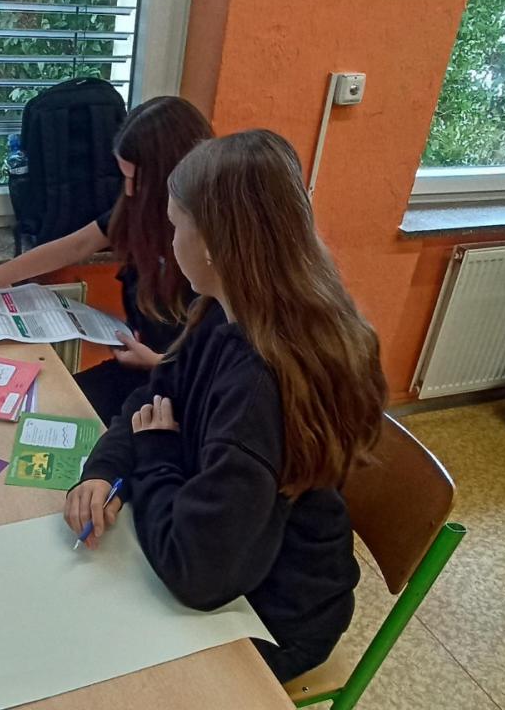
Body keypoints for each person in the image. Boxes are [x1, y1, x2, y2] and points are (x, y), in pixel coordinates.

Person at [62, 130, 387, 683]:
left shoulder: (260, 383)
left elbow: (197, 575)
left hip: (271, 617)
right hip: (228, 553)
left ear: (214, 241)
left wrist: (156, 454)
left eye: (176, 226)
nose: (169, 243)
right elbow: (153, 396)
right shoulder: (224, 311)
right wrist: (106, 469)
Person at [0, 96, 214, 420]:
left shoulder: (210, 248)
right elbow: (76, 245)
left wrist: (157, 362)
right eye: (124, 177)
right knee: (38, 407)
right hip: (137, 372)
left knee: (65, 422)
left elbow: (225, 363)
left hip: (180, 391)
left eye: (137, 180)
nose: (129, 191)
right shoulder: (139, 205)